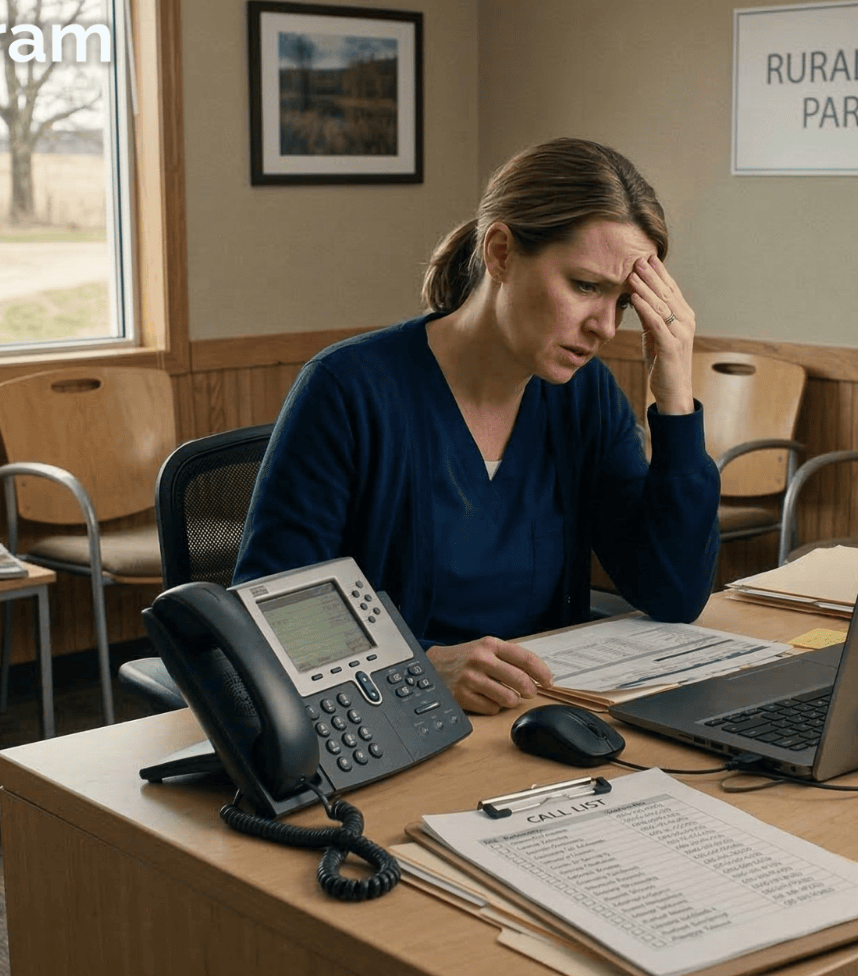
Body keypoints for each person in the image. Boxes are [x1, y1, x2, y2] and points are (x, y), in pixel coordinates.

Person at [234, 138, 722, 714]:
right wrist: (417, 668)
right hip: (400, 723)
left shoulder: (584, 395)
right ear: (500, 252)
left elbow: (673, 592)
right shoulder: (348, 389)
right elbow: (275, 615)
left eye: (621, 303)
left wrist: (674, 393)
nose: (604, 327)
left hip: (537, 721)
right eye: (585, 286)